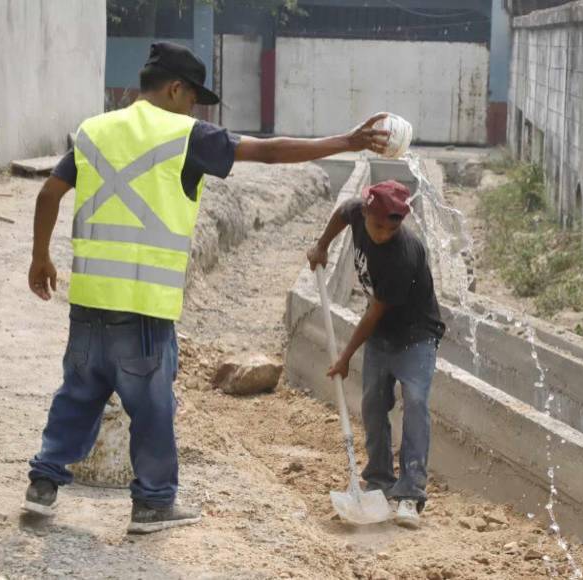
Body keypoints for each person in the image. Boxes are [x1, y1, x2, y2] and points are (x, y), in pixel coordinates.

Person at [23, 41, 390, 533]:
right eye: (193, 97)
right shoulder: (185, 135)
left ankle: (43, 486)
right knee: (152, 407)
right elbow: (272, 152)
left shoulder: (94, 129)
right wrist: (346, 142)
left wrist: (39, 257)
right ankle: (153, 504)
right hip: (145, 306)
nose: (195, 108)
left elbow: (49, 192)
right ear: (175, 89)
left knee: (78, 392)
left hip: (88, 300)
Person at [307, 180, 445, 528]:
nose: (383, 233)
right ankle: (379, 481)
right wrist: (321, 246)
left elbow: (374, 312)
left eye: (391, 227)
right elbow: (342, 213)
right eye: (377, 226)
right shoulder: (357, 211)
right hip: (383, 335)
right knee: (372, 404)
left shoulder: (404, 254)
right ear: (366, 213)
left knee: (414, 402)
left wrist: (345, 357)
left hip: (416, 336)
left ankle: (411, 495)